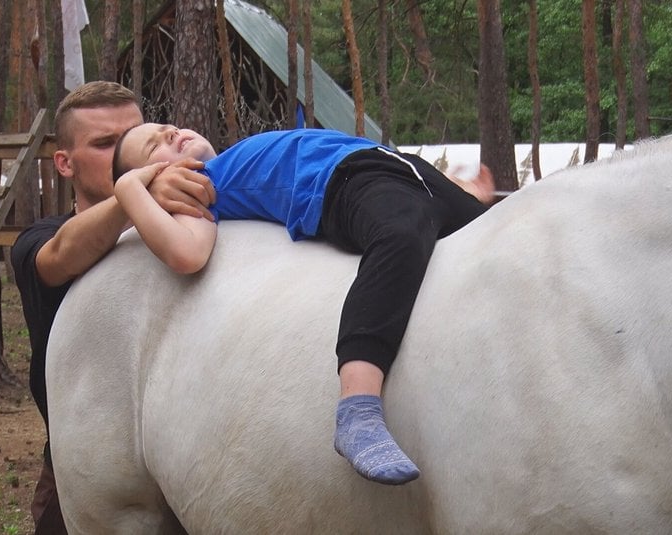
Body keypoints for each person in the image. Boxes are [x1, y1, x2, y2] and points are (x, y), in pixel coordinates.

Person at [112, 124, 493, 485]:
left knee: (492, 232)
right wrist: (130, 191)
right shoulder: (203, 186)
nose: (172, 132)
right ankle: (358, 407)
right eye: (154, 145)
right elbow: (187, 253)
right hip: (342, 182)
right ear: (152, 177)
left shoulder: (233, 156)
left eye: (170, 127)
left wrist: (462, 190)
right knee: (400, 234)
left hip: (404, 169)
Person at [11, 82, 216, 534]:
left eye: (136, 135)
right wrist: (135, 194)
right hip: (80, 468)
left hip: (190, 453)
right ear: (65, 163)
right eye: (105, 144)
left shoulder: (189, 227)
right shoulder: (39, 239)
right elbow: (61, 255)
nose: (123, 149)